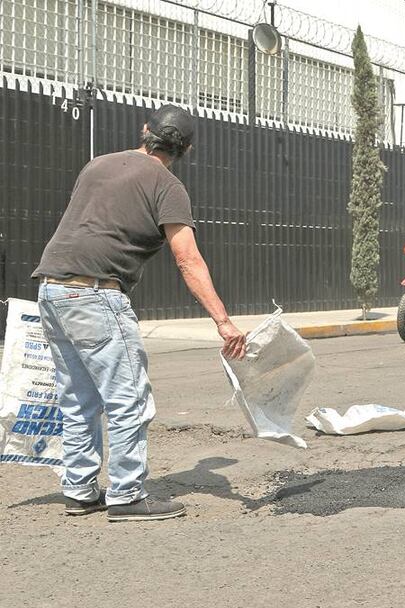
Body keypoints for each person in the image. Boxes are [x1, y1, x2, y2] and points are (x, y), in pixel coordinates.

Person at [32, 104, 246, 522]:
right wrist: (222, 319)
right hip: (96, 293)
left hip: (52, 288)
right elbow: (188, 260)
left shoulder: (96, 166)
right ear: (187, 148)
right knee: (127, 398)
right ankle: (127, 495)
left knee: (78, 398)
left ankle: (79, 490)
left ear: (145, 130)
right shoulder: (168, 186)